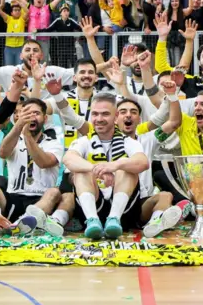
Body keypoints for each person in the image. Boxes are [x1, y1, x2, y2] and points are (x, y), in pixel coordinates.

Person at [63, 93, 150, 240]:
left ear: (116, 117)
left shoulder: (129, 141)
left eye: (105, 114)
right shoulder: (84, 141)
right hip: (94, 206)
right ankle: (92, 220)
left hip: (124, 212)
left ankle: (113, 219)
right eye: (95, 114)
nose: (99, 119)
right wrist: (96, 169)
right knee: (81, 171)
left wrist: (114, 166)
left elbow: (143, 162)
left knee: (126, 167)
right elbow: (68, 159)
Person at [0, 99, 66, 236]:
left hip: (41, 200)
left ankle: (21, 223)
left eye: (36, 113)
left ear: (45, 119)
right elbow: (3, 153)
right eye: (27, 113)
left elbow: (43, 162)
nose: (32, 117)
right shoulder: (14, 139)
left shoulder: (53, 142)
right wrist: (19, 127)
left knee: (55, 192)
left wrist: (27, 136)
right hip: (14, 197)